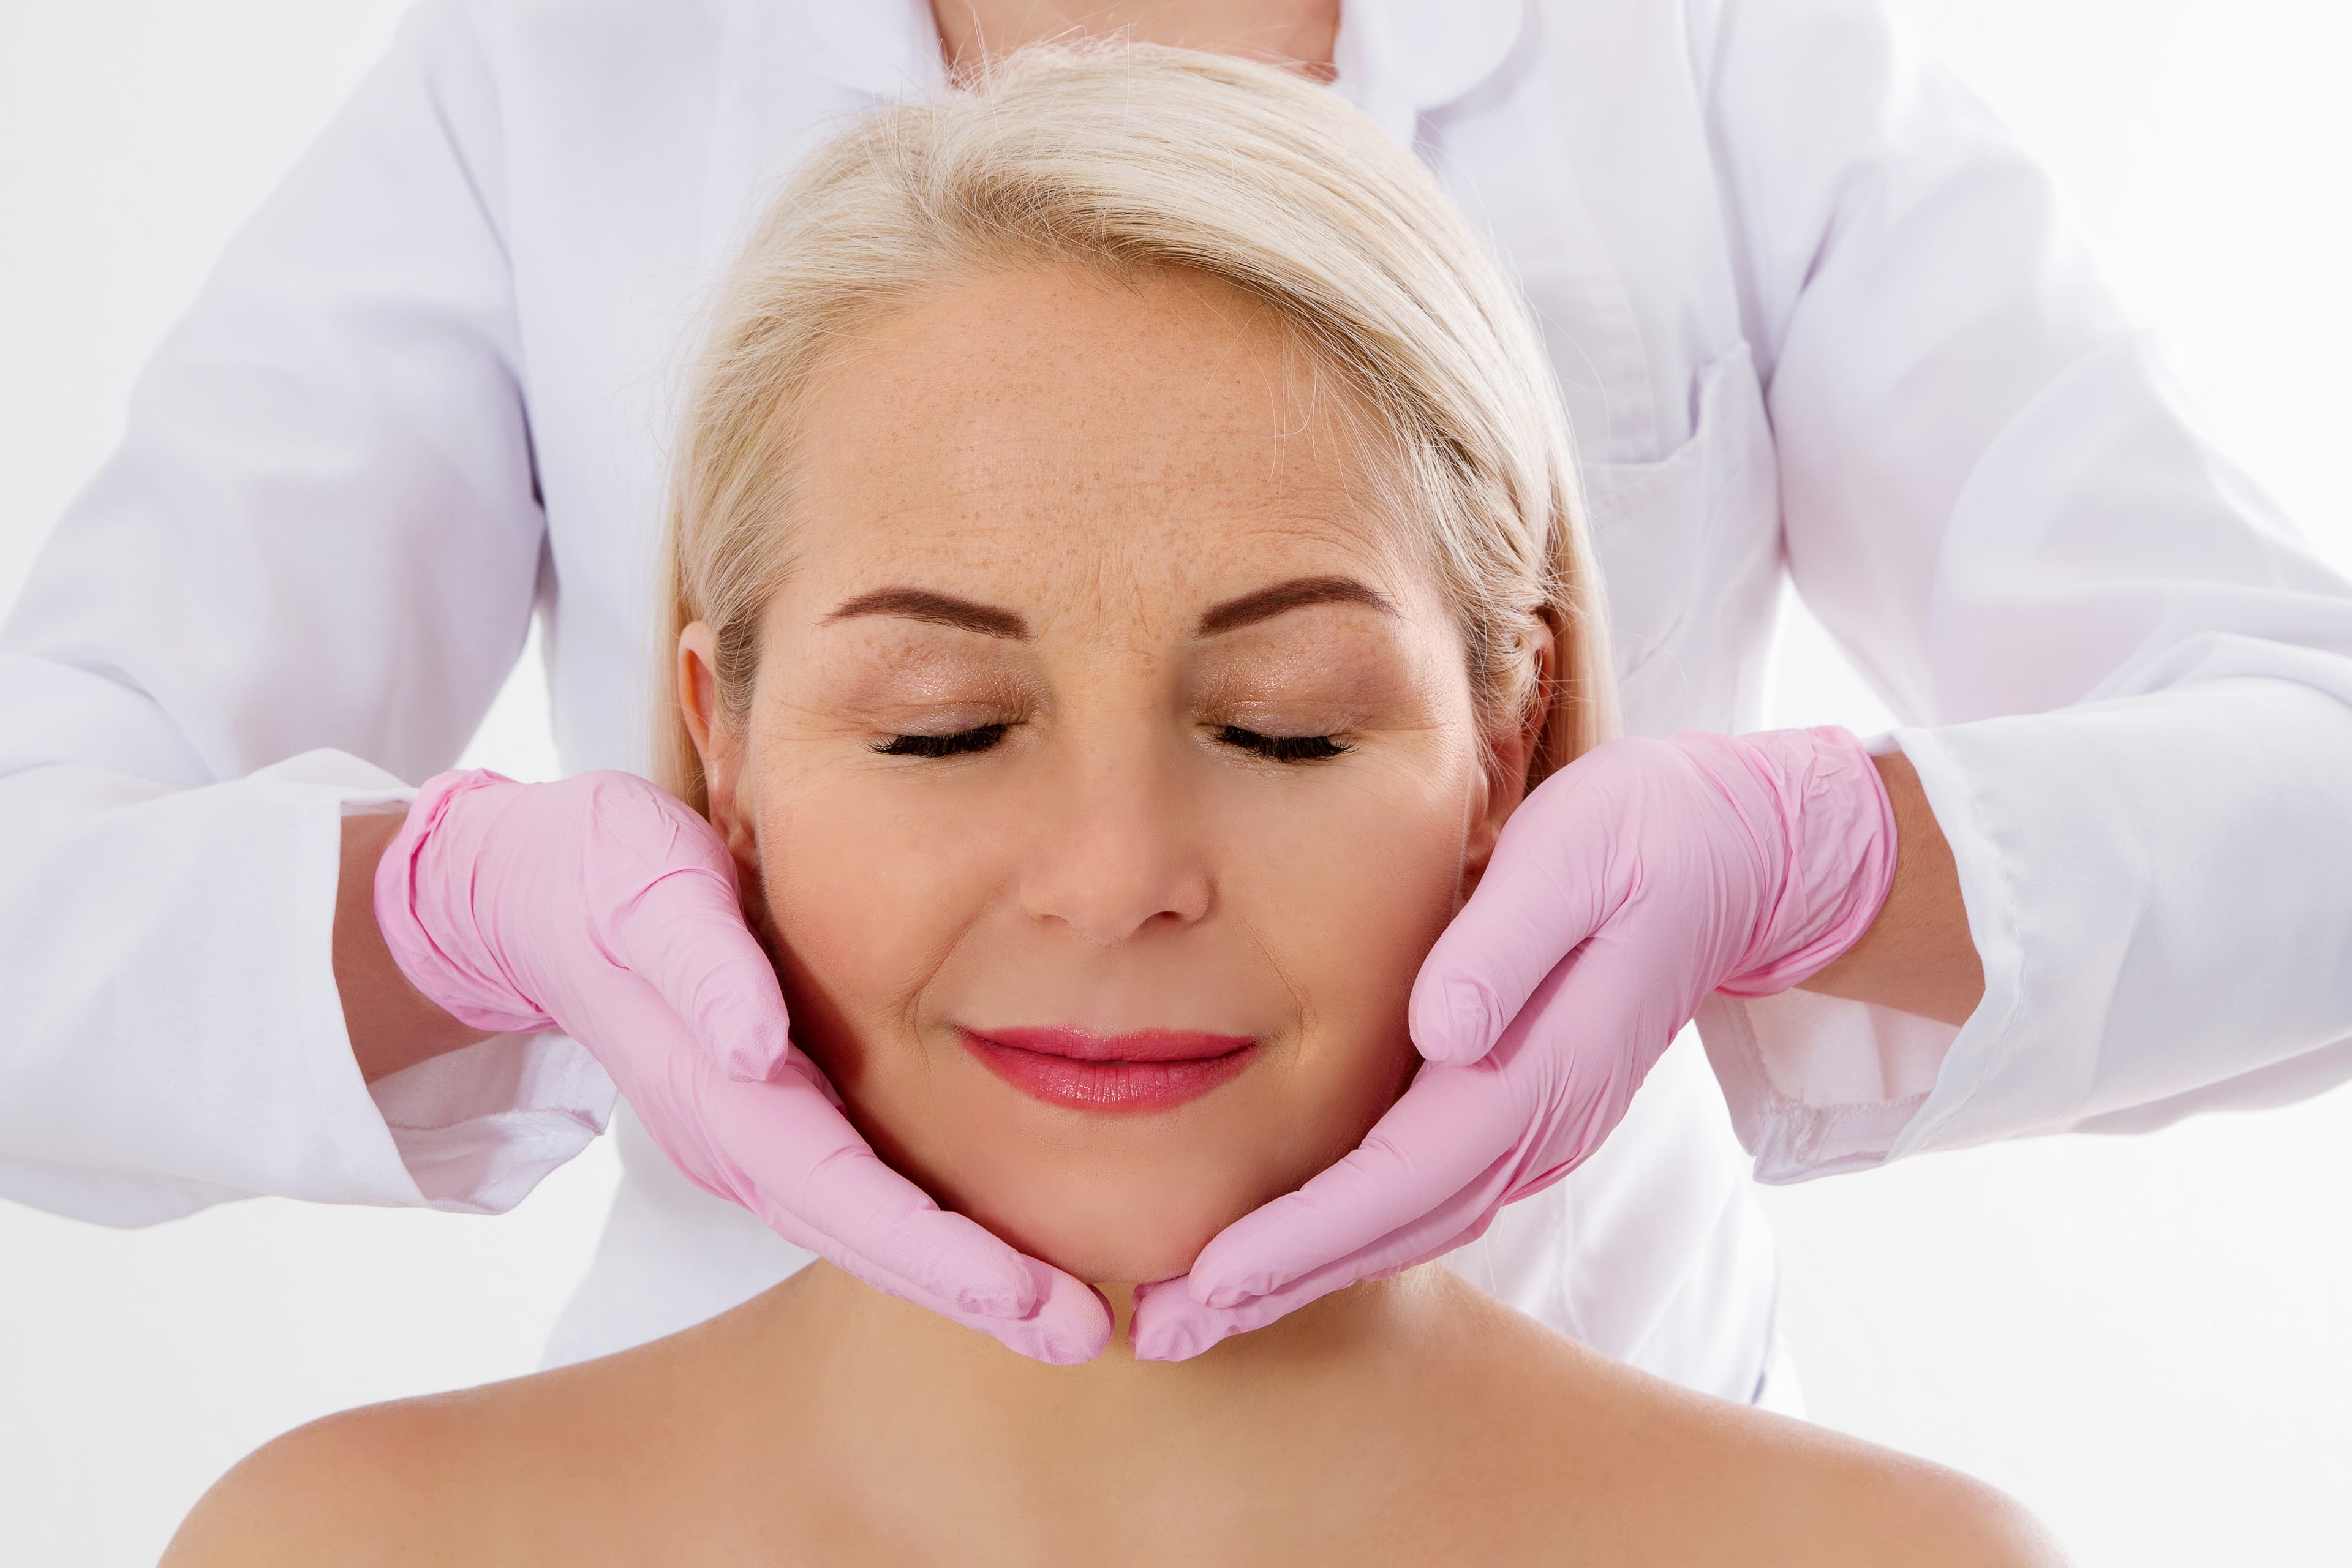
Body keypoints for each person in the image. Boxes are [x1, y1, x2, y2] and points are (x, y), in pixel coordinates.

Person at [5, 0, 2351, 1396]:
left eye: (1299, 714)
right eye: (937, 720)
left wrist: (1825, 861)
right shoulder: (563, 72)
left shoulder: (1714, 49)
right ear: (714, 726)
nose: (1119, 877)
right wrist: (452, 918)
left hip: (1589, 1414)